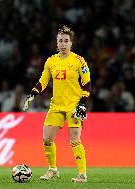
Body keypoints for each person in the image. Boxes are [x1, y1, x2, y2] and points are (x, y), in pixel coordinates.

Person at [23, 25, 91, 183]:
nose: (63, 43)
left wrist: (82, 103)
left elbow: (87, 83)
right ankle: (52, 169)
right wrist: (32, 93)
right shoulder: (51, 61)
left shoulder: (79, 61)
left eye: (66, 41)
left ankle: (82, 174)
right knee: (47, 138)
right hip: (56, 106)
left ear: (71, 43)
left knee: (75, 140)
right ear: (57, 43)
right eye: (60, 41)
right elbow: (43, 81)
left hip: (74, 106)